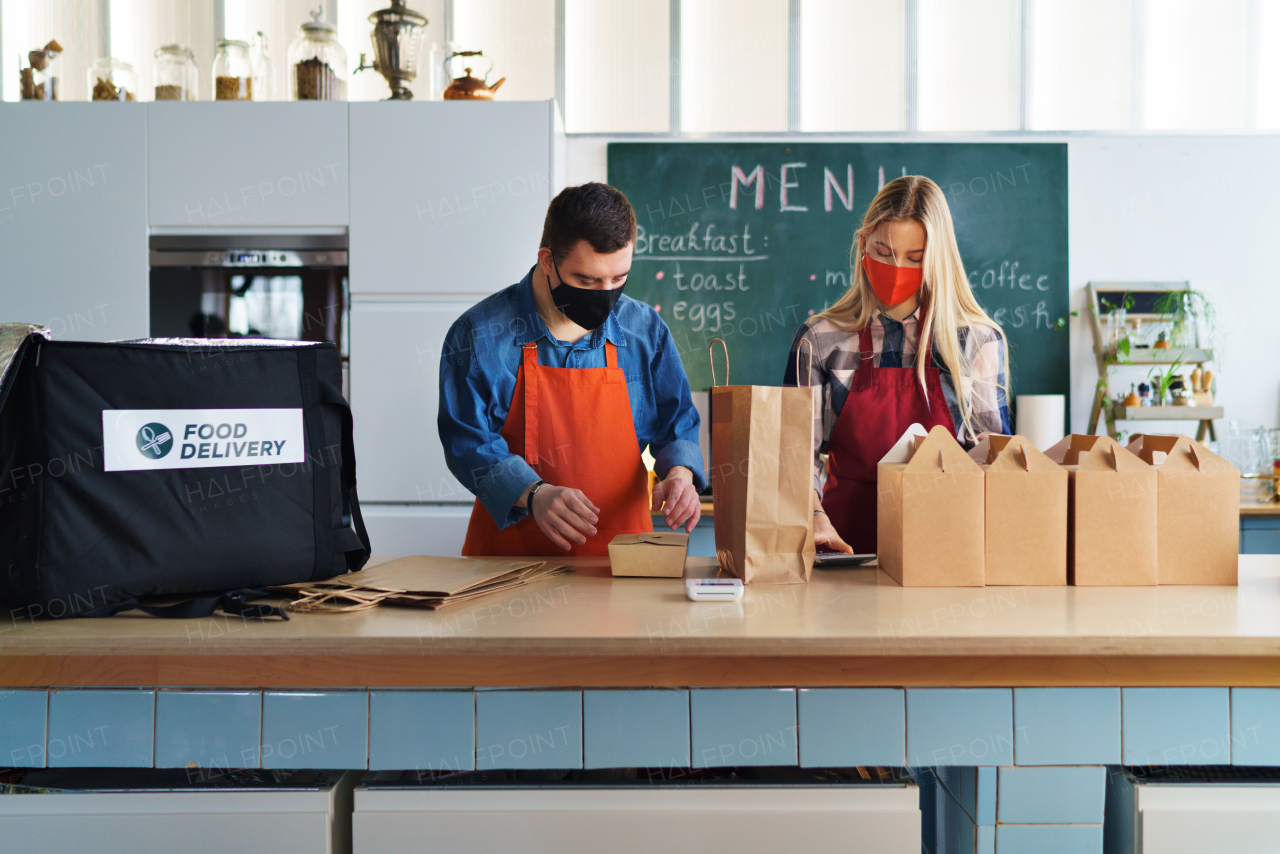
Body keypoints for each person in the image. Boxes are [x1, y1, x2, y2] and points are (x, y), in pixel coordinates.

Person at [440, 182, 705, 556]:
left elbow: (677, 422)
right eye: (586, 280)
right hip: (509, 566)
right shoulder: (479, 335)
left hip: (623, 556)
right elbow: (465, 444)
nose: (605, 294)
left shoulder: (644, 329)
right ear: (548, 260)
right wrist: (534, 494)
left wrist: (680, 475)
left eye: (618, 279)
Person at [784, 175, 1011, 555]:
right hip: (844, 546)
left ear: (939, 259)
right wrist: (813, 514)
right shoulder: (819, 339)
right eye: (884, 252)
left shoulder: (977, 341)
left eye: (915, 258)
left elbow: (991, 457)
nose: (896, 268)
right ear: (863, 246)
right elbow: (795, 455)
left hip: (946, 548)